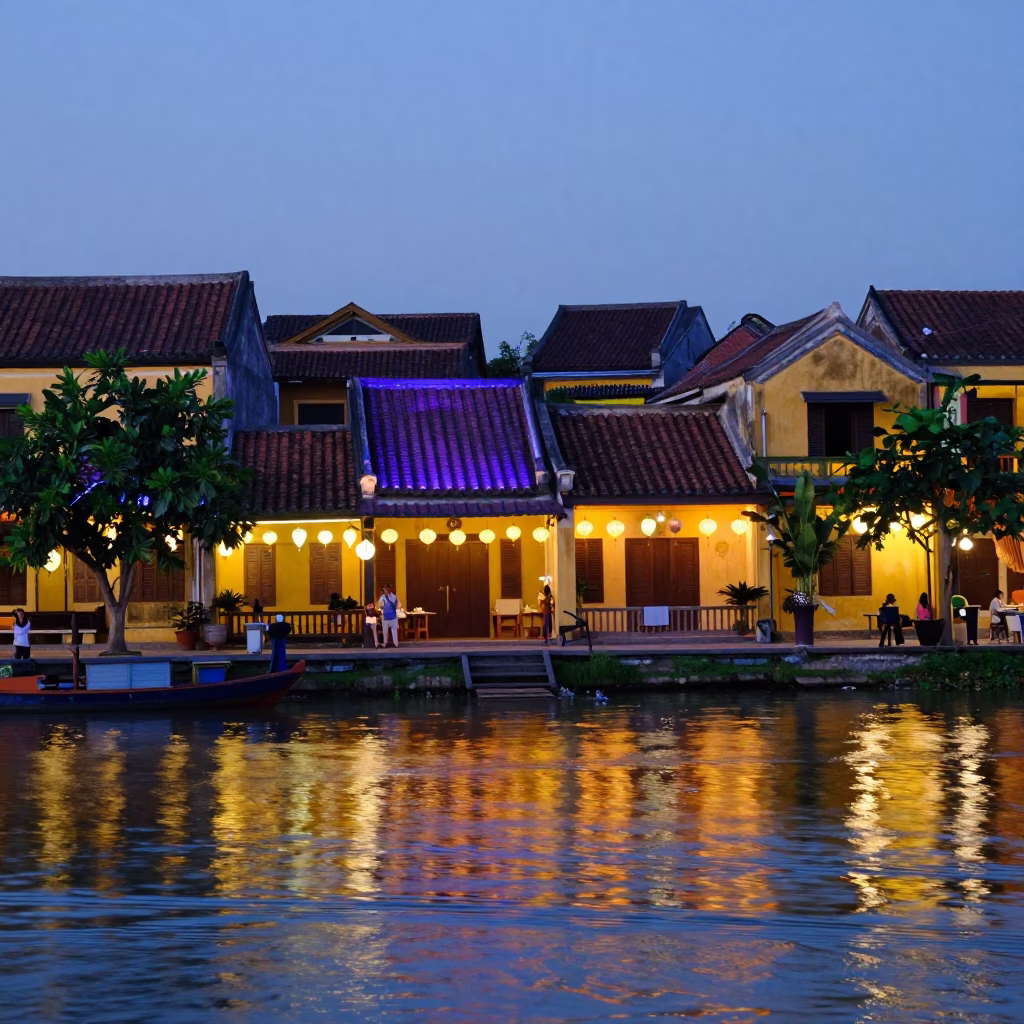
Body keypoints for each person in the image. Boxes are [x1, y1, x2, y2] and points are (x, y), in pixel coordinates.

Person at [378, 584, 404, 648]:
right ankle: (385, 643)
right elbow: (380, 605)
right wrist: (381, 605)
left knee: (394, 631)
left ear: (389, 590)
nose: (385, 591)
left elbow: (398, 605)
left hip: (393, 617)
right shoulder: (382, 597)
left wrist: (389, 598)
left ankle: (395, 644)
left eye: (386, 589)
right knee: (385, 632)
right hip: (385, 617)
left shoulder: (394, 597)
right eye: (384, 590)